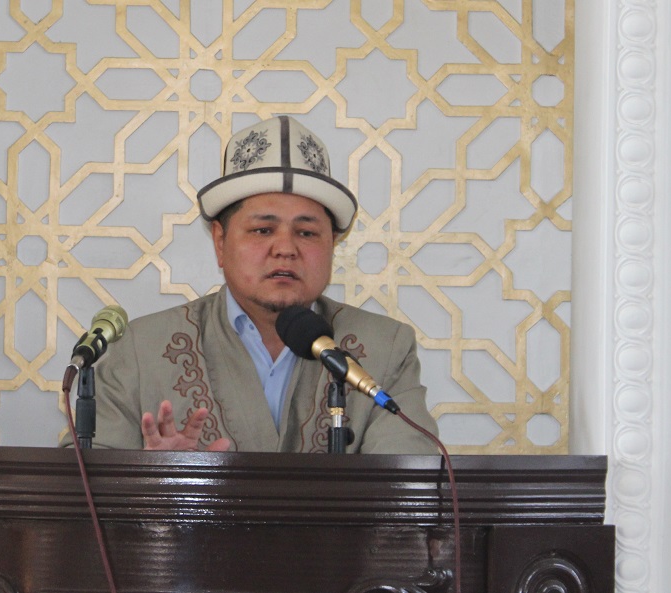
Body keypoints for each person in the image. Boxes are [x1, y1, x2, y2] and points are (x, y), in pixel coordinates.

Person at [88, 116, 439, 454]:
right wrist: (154, 477)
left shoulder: (385, 348)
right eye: (262, 230)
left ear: (333, 244)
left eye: (306, 233)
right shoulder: (140, 349)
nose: (285, 248)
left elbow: (409, 475)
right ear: (220, 242)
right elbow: (85, 477)